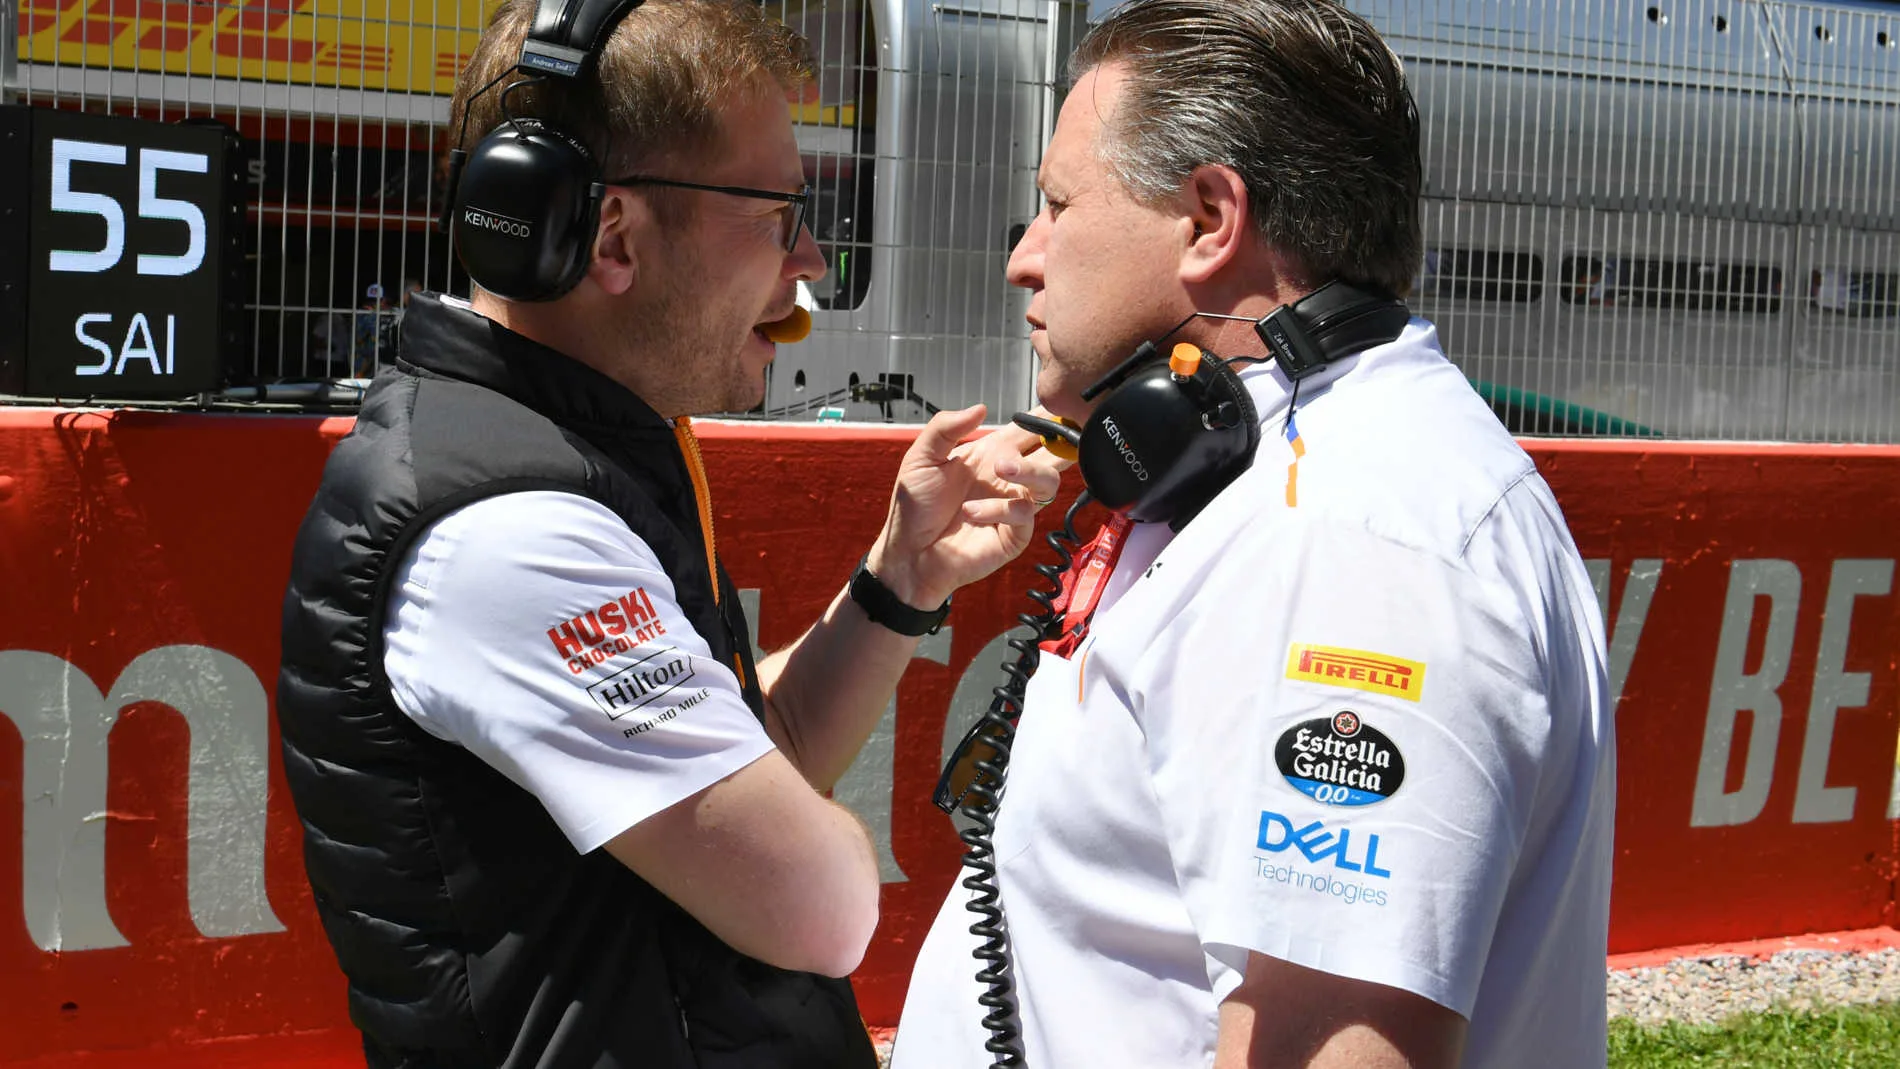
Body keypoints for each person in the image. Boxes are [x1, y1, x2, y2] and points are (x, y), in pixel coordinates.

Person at [275, 1, 1061, 1066]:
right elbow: (818, 905)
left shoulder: (568, 447)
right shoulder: (510, 531)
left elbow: (754, 760)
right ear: (611, 236)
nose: (813, 263)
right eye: (781, 212)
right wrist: (829, 836)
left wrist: (899, 578)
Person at [895, 2, 1615, 1067]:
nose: (1025, 259)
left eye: (1054, 206)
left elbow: (1335, 1046)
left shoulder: (1350, 540)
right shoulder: (1265, 478)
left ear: (1209, 219)